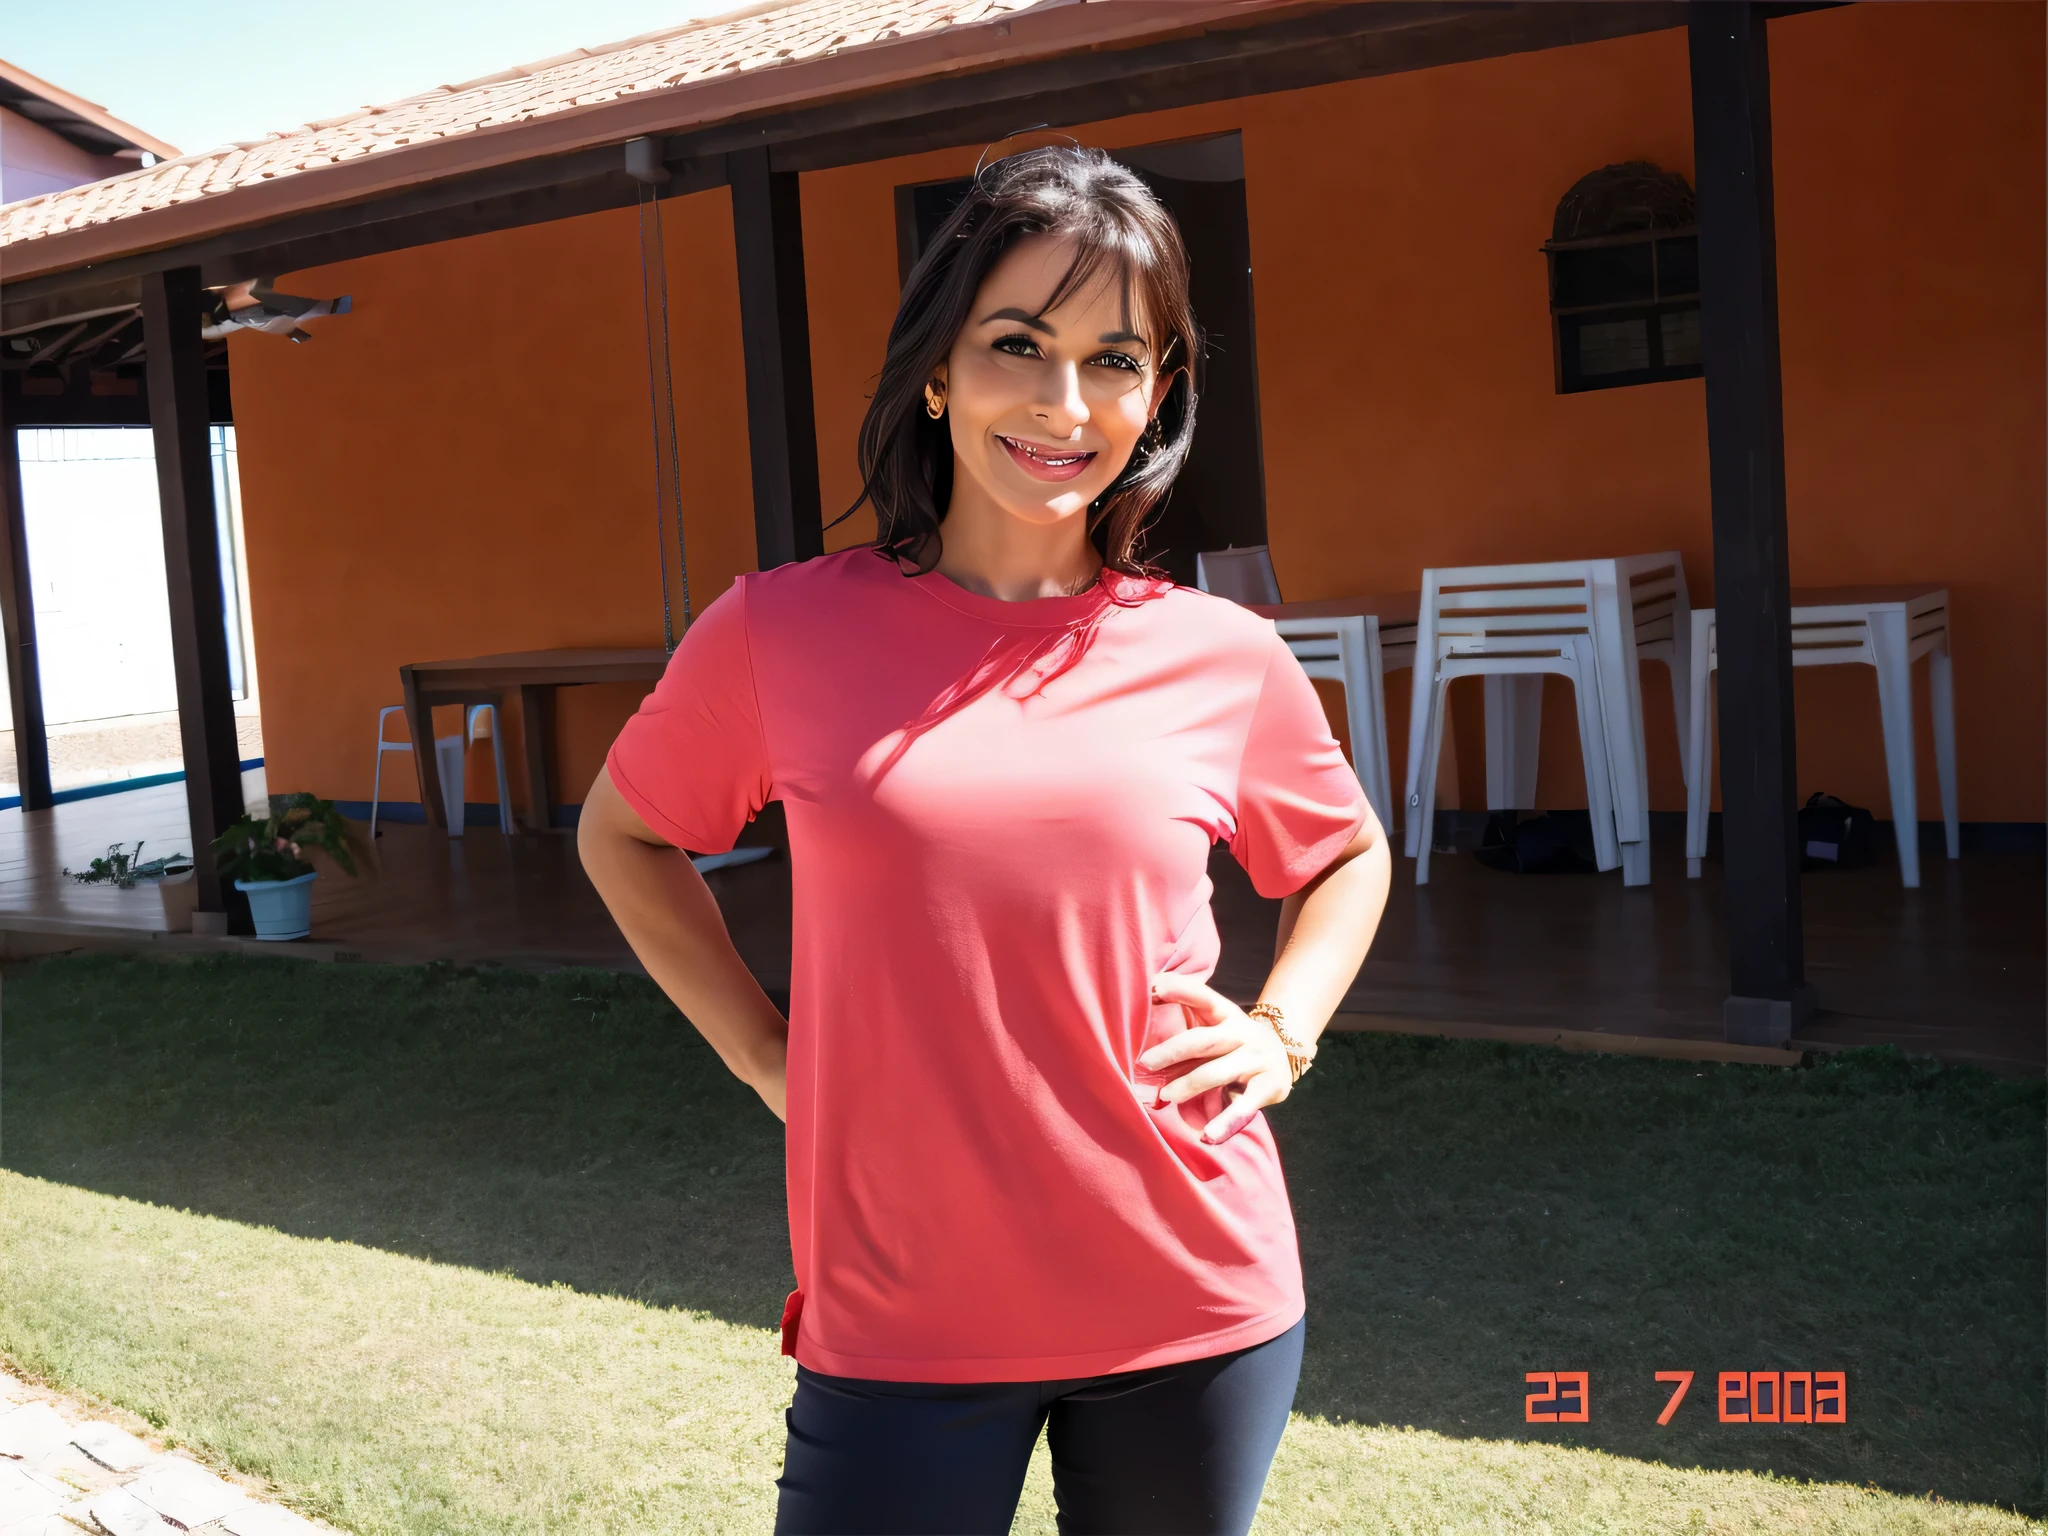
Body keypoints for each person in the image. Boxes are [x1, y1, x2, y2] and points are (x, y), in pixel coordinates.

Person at [578, 144, 1392, 1536]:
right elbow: (625, 836)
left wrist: (1283, 1027)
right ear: (940, 370)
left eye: (1115, 359)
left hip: (1195, 1297)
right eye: (1020, 344)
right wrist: (770, 1053)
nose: (1067, 404)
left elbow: (1344, 856)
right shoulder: (779, 634)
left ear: (1160, 390)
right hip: (901, 1316)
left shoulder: (1224, 657)